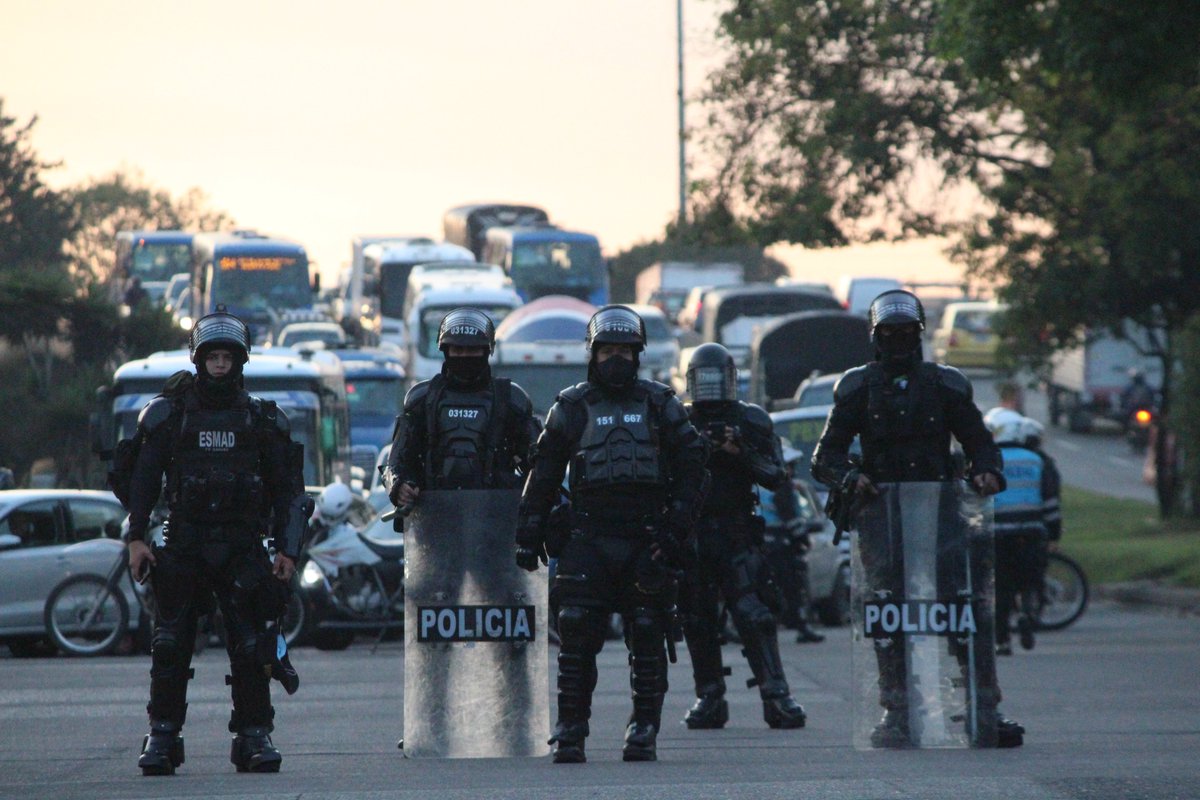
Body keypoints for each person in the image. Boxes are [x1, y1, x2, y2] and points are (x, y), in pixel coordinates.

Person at [811, 289, 1025, 748]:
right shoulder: (855, 388)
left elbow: (980, 441)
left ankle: (983, 706)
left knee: (963, 608)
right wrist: (851, 479)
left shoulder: (947, 385)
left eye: (907, 332)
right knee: (887, 612)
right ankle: (897, 710)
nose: (899, 341)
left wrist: (987, 471)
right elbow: (824, 456)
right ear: (875, 337)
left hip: (943, 514)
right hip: (882, 519)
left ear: (920, 335)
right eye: (890, 333)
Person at [515, 305, 707, 763]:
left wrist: (678, 526)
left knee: (646, 630)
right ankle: (571, 728)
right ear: (593, 353)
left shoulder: (661, 404)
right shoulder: (571, 406)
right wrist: (528, 532)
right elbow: (542, 475)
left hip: (647, 536)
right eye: (608, 351)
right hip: (588, 535)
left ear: (638, 354)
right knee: (577, 631)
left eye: (625, 350)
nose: (616, 359)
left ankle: (643, 727)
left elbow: (694, 466)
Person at [124, 307, 311, 775]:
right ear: (199, 358)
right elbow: (142, 483)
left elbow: (291, 492)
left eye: (229, 357)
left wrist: (288, 550)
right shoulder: (168, 415)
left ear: (241, 361)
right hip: (183, 543)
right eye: (214, 356)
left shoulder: (263, 421)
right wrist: (135, 538)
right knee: (169, 645)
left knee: (251, 647)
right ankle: (163, 735)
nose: (221, 365)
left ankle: (253, 735)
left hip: (242, 546)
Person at [678, 342, 809, 731]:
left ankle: (776, 694)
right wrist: (699, 448)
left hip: (737, 530)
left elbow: (776, 476)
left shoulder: (752, 419)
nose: (712, 389)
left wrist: (741, 452)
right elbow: (664, 475)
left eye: (718, 381)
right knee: (697, 617)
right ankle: (710, 695)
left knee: (755, 614)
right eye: (705, 381)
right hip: (694, 531)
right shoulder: (678, 421)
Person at [381, 306, 540, 504]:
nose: (465, 356)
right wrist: (399, 486)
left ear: (486, 350)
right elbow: (395, 464)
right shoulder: (422, 399)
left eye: (472, 350)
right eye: (457, 349)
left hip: (496, 521)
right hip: (433, 522)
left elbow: (539, 466)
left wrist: (532, 502)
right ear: (446, 351)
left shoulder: (511, 400)